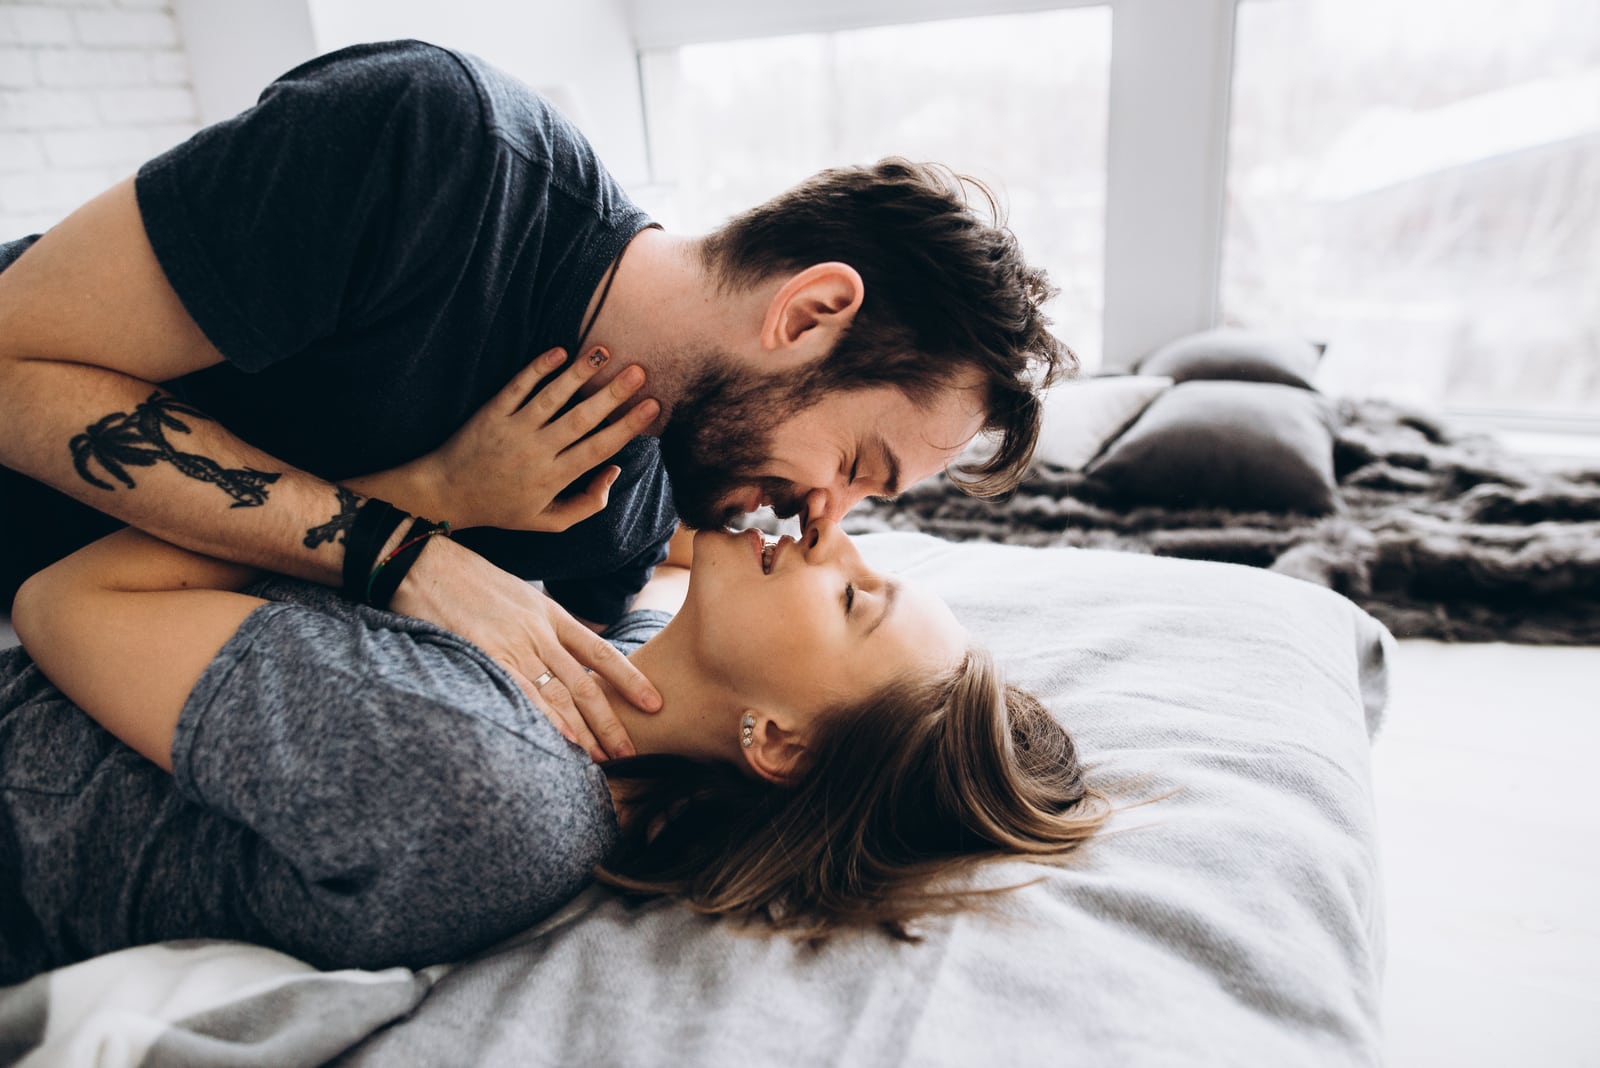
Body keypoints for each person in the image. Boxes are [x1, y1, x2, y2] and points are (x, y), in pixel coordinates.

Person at [0, 40, 1074, 761]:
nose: (822, 517)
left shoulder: (620, 512)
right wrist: (409, 534)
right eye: (855, 467)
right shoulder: (435, 153)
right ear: (806, 314)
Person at [0, 359, 1103, 983]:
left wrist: (431, 497)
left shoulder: (490, 785)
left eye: (856, 599)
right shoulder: (621, 682)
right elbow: (672, 560)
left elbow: (63, 601)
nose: (834, 532)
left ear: (776, 741)